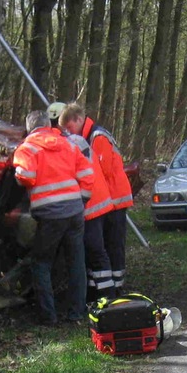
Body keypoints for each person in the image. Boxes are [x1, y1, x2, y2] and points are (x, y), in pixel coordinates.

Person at [12, 109, 94, 325]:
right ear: (49, 124)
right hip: (75, 211)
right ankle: (76, 313)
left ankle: (49, 317)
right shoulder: (68, 144)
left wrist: (18, 176)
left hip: (50, 214)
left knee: (41, 262)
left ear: (29, 128)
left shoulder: (27, 148)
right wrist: (81, 201)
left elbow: (26, 176)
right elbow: (87, 175)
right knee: (76, 262)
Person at [69, 107, 135, 295]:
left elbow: (102, 169)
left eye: (70, 125)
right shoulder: (92, 134)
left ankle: (116, 286)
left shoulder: (97, 137)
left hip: (115, 198)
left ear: (79, 119)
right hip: (110, 198)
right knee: (108, 244)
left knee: (114, 244)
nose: (69, 130)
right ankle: (111, 284)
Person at [58, 103, 115, 301]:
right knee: (94, 253)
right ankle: (97, 295)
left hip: (92, 205)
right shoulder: (80, 141)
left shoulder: (76, 143)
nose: (68, 131)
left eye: (69, 127)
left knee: (96, 252)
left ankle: (107, 296)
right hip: (96, 202)